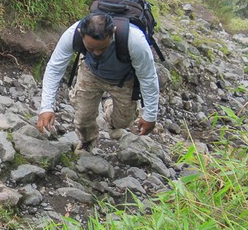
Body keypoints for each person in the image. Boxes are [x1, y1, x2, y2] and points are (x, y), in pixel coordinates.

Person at [36, 12, 159, 153]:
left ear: (113, 32)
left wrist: (150, 115)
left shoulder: (134, 40)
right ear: (81, 33)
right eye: (91, 48)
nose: (97, 53)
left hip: (124, 79)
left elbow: (148, 77)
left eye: (102, 48)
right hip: (90, 72)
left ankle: (109, 108)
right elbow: (54, 68)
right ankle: (87, 141)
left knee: (123, 122)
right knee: (83, 117)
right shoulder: (72, 34)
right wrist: (46, 108)